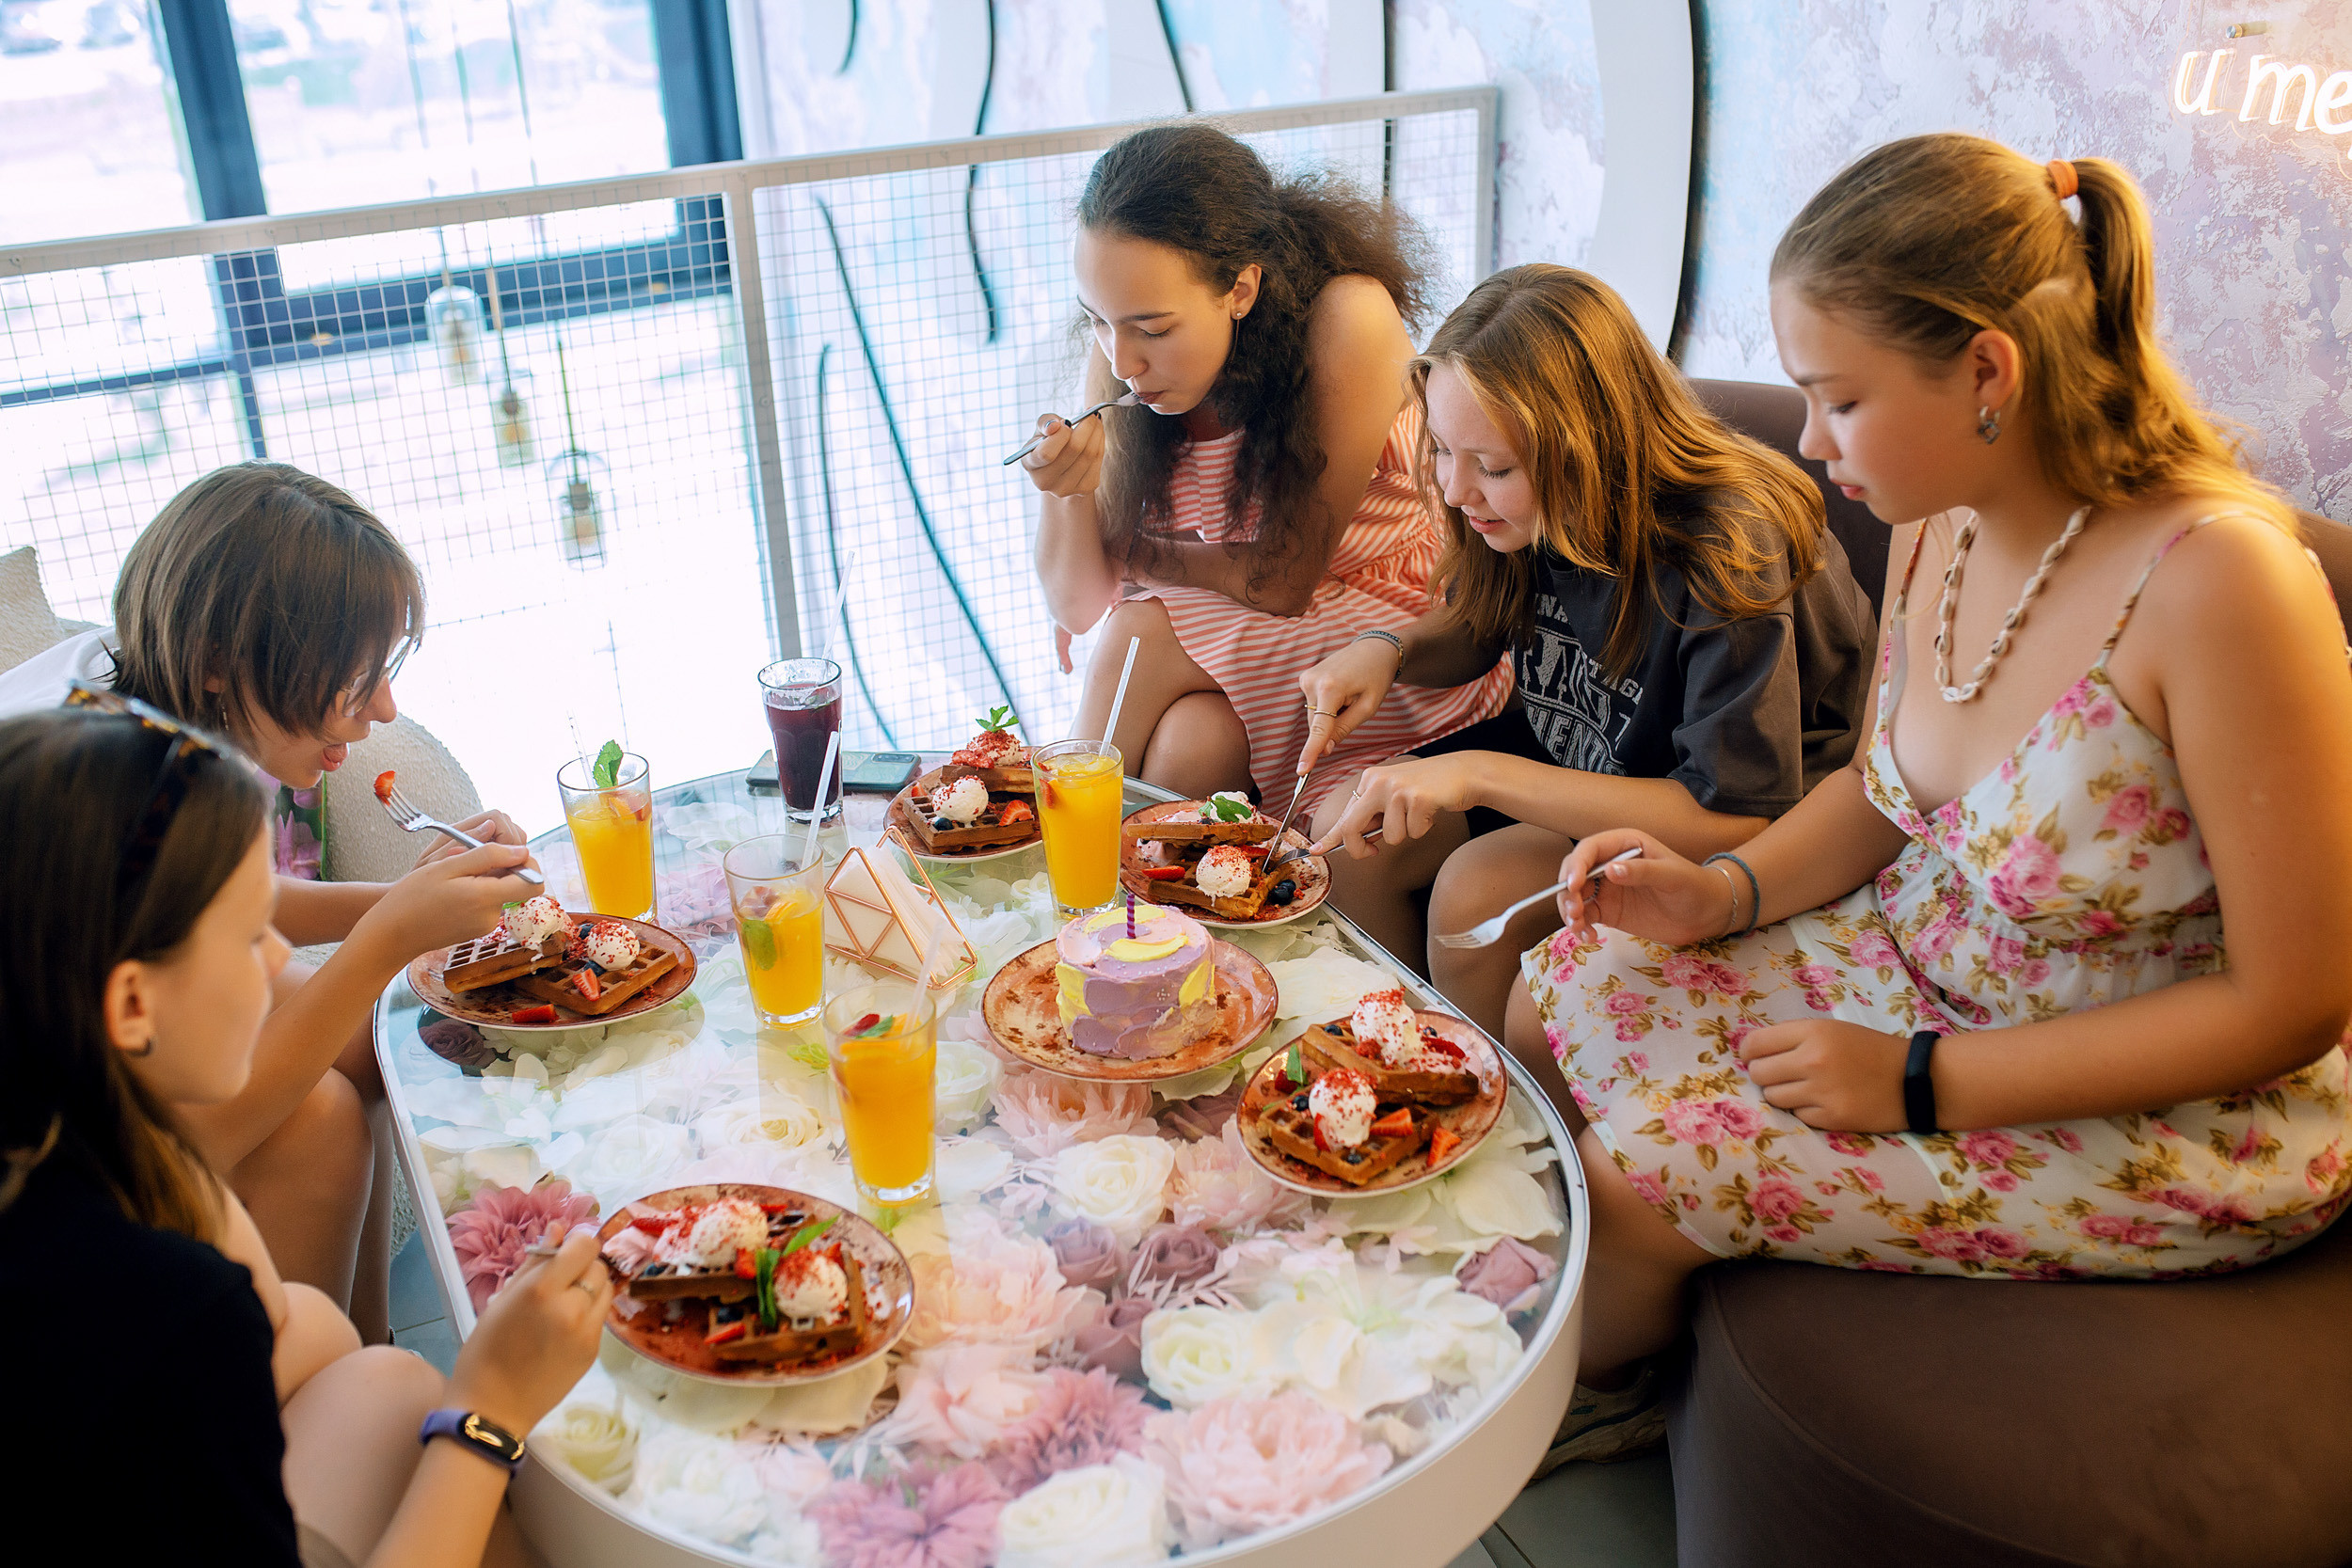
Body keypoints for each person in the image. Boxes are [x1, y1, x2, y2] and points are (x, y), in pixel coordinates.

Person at [1519, 136, 2352, 1470]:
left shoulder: (2224, 585)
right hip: (1918, 962)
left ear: (1986, 372)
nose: (1809, 443)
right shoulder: (1935, 518)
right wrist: (1720, 892)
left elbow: (2293, 999)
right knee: (1563, 978)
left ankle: (1572, 1389)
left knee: (1640, 1180)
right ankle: (1629, 1333)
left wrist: (1918, 1077)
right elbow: (1880, 789)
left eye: (1838, 400)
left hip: (2152, 1086)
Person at [0, 700, 608, 1566]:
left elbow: (285, 1326)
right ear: (132, 1002)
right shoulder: (160, 1309)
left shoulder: (75, 1157)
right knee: (430, 1420)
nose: (279, 963)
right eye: (252, 936)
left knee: (386, 1378)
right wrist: (489, 1411)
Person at [0, 463, 536, 1341]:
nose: (383, 708)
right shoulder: (91, 788)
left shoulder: (143, 696)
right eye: (353, 676)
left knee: (363, 1044)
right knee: (318, 1122)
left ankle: (370, 1351)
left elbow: (212, 888)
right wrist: (386, 937)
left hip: (78, 1009)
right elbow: (186, 1146)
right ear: (220, 662)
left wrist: (400, 900)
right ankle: (304, 1391)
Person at [1299, 265, 1874, 1041]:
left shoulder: (1730, 546)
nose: (1458, 490)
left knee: (1475, 894)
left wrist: (1475, 773)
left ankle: (1479, 1094)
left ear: (1588, 447)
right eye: (1439, 449)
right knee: (1348, 833)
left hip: (1716, 815)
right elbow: (1486, 621)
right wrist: (1389, 648)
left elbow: (1731, 814)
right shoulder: (1525, 506)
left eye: (1493, 467)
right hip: (1583, 754)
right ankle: (1398, 1053)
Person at [1022, 121, 1513, 806]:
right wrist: (1065, 494)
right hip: (1254, 629)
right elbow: (1078, 607)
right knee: (1195, 743)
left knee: (1139, 627)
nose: (1122, 359)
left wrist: (1137, 557)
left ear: (1242, 289)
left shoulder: (1348, 317)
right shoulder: (1120, 355)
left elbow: (1283, 581)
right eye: (1097, 320)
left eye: (1153, 329)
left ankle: (1055, 849)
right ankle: (1137, 878)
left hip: (1407, 628)